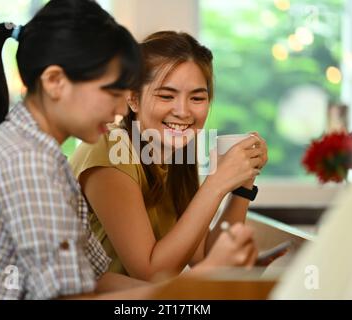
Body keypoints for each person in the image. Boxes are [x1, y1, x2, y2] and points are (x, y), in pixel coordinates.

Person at [0, 1, 264, 300]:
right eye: (112, 90)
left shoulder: (46, 157)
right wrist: (195, 287)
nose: (125, 104)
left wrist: (191, 290)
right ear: (55, 82)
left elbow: (95, 280)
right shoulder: (27, 164)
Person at [69, 31, 269, 281]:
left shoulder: (175, 157)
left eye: (197, 97)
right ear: (133, 98)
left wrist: (242, 184)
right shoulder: (109, 150)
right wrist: (216, 182)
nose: (183, 111)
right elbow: (151, 272)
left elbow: (207, 258)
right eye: (166, 96)